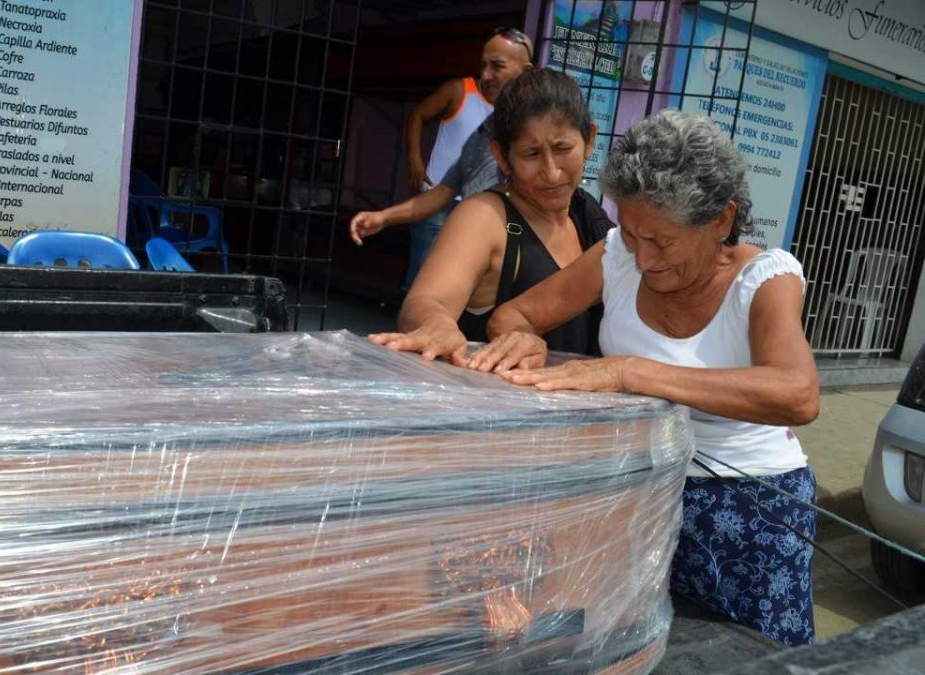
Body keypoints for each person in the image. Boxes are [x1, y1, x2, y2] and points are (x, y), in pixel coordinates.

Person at [466, 109, 820, 646]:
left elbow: (797, 394)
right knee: (635, 646)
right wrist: (525, 337)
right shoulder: (618, 257)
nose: (645, 258)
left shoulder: (764, 279)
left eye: (663, 241)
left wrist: (631, 372)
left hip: (750, 510)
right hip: (639, 492)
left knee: (749, 655)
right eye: (632, 234)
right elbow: (512, 315)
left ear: (720, 221)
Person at [367, 68, 614, 362]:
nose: (551, 172)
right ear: (501, 156)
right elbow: (426, 300)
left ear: (589, 140)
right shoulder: (485, 218)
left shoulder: (589, 217)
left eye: (563, 148)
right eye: (531, 154)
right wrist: (438, 325)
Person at [349, 26, 535, 279]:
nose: (486, 74)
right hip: (471, 234)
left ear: (525, 72)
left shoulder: (541, 124)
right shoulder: (482, 136)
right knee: (427, 287)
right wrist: (383, 217)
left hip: (520, 249)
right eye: (483, 65)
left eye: (497, 66)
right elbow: (444, 191)